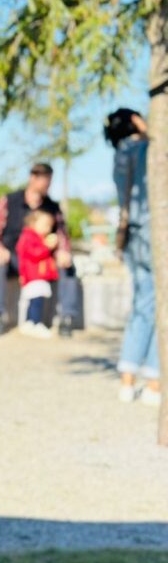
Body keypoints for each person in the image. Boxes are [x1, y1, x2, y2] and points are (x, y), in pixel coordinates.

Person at [0, 162, 78, 337]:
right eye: (45, 181)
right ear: (33, 178)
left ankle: (67, 318)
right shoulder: (9, 201)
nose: (48, 186)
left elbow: (62, 235)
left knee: (68, 266)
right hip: (15, 257)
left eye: (50, 181)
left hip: (43, 259)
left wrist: (63, 251)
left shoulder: (52, 207)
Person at [105, 108, 160, 406]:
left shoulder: (119, 154)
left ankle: (127, 379)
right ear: (135, 121)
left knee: (142, 305)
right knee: (160, 306)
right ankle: (154, 381)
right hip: (156, 234)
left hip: (132, 237)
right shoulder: (149, 148)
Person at [15, 210, 59, 339]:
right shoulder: (29, 237)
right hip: (34, 276)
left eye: (50, 226)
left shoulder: (38, 237)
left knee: (35, 300)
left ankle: (30, 322)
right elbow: (34, 253)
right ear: (33, 223)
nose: (48, 229)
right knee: (36, 301)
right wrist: (47, 247)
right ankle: (35, 322)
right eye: (45, 225)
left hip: (38, 276)